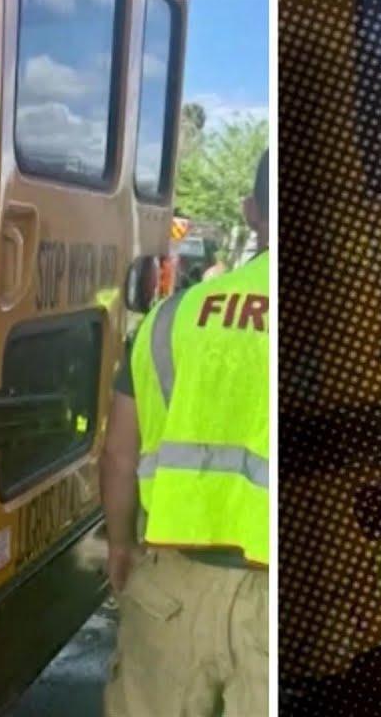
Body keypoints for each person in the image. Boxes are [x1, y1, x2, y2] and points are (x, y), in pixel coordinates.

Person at [100, 151, 269, 716]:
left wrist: (120, 546)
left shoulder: (171, 315)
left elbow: (120, 454)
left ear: (250, 213)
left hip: (169, 584)